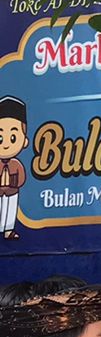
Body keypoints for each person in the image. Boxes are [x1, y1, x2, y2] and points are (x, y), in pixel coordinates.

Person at [0, 97, 25, 241]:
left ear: (24, 141)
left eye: (13, 138)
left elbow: (21, 178)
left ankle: (8, 230)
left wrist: (14, 183)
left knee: (10, 209)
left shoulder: (16, 164)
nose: (6, 145)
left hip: (12, 191)